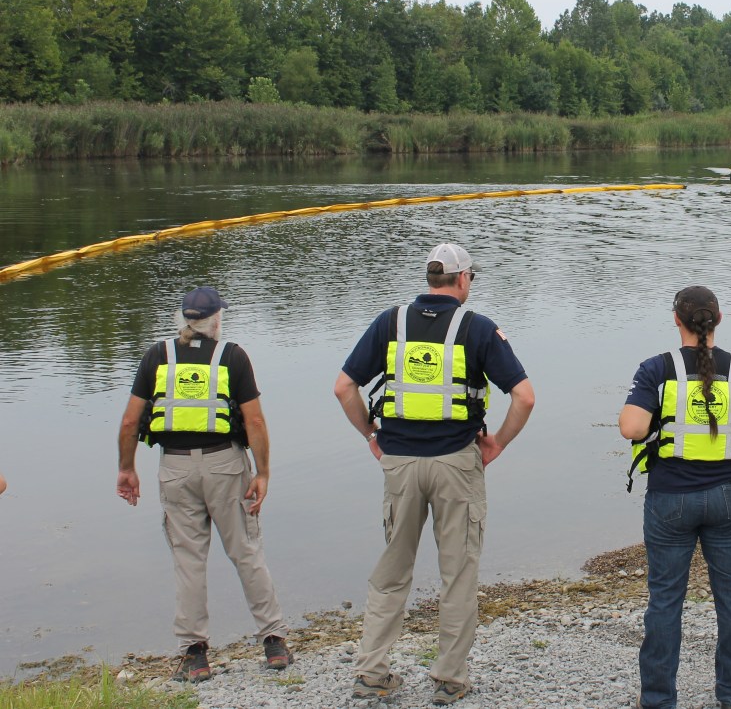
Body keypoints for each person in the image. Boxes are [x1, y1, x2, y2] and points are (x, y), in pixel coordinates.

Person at [334, 242, 534, 705]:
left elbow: (343, 387)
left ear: (430, 278)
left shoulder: (390, 322)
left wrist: (370, 434)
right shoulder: (478, 328)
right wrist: (498, 443)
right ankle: (449, 679)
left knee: (392, 570)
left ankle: (371, 673)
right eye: (471, 278)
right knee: (457, 574)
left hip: (399, 464)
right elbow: (524, 397)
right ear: (462, 279)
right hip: (457, 464)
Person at [619, 286, 731, 709]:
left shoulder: (657, 368)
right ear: (719, 319)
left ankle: (658, 698)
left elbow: (632, 428)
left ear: (676, 319)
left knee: (665, 599)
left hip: (671, 498)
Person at [115, 287, 292, 683]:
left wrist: (127, 468)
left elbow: (129, 421)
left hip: (175, 468)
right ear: (216, 321)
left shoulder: (157, 356)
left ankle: (195, 655)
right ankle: (274, 643)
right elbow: (255, 421)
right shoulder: (232, 356)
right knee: (246, 551)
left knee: (188, 560)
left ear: (183, 319)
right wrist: (262, 473)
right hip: (225, 464)